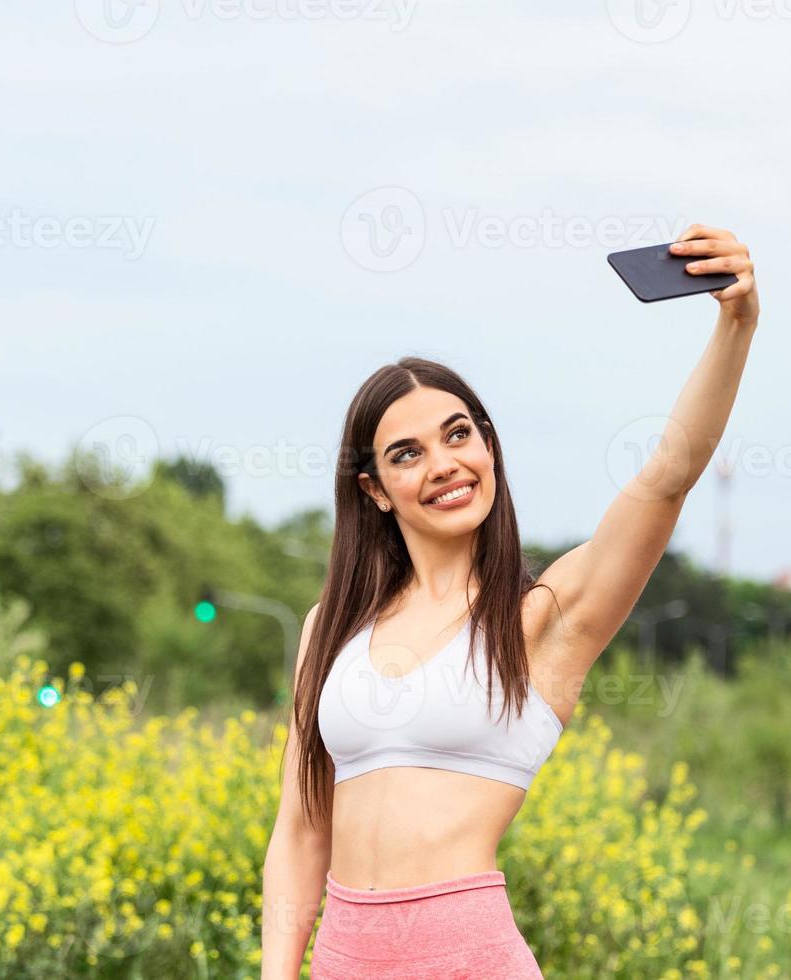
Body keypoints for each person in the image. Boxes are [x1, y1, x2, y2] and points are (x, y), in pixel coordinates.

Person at [260, 223, 760, 978]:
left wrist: (736, 322)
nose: (445, 464)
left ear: (488, 447)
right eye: (407, 453)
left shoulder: (542, 618)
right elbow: (298, 834)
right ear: (375, 491)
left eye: (459, 435)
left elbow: (667, 474)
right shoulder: (328, 628)